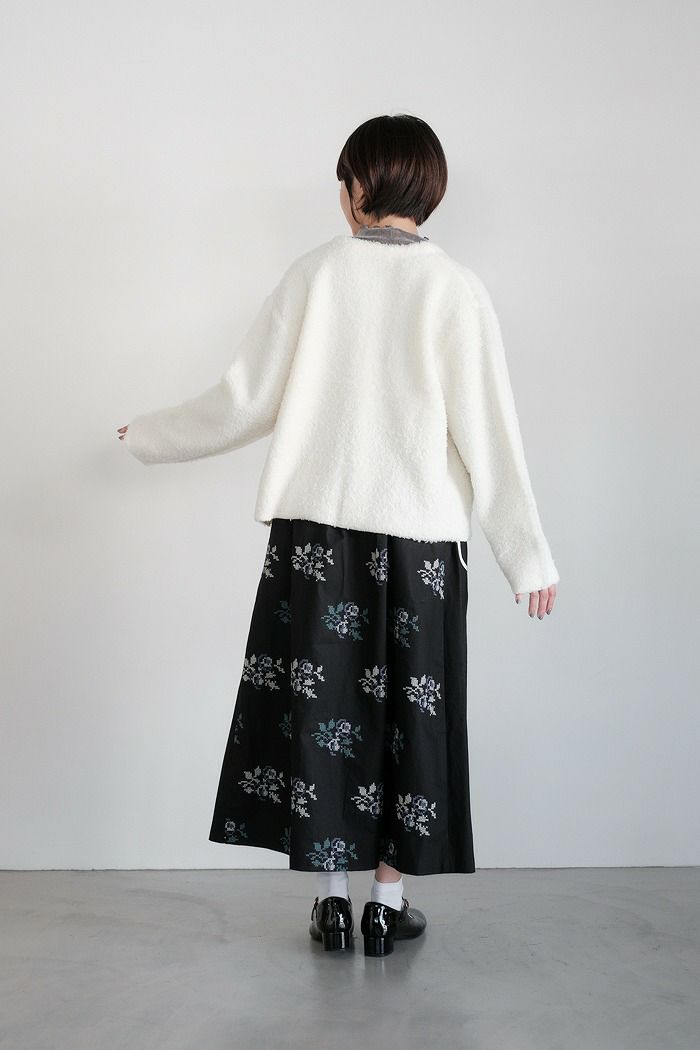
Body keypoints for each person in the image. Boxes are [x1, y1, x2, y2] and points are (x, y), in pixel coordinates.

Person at [117, 113, 559, 958]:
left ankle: (329, 901)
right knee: (409, 724)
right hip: (421, 548)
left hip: (316, 541)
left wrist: (150, 437)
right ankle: (386, 905)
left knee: (320, 713)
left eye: (343, 181)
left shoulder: (316, 275)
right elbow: (490, 433)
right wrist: (526, 555)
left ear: (361, 186)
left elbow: (244, 399)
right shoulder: (456, 288)